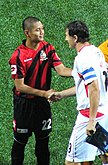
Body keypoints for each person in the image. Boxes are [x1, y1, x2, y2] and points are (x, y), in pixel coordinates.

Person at [50, 20, 108, 165]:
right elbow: (87, 87)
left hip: (90, 115)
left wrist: (91, 121)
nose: (65, 39)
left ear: (75, 38)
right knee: (106, 156)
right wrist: (61, 94)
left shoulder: (82, 59)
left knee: (72, 162)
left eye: (67, 35)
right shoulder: (96, 51)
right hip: (105, 111)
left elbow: (94, 88)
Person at [9, 16, 72, 165]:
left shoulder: (48, 48)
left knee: (43, 144)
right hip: (24, 106)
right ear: (27, 33)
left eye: (42, 28)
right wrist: (45, 93)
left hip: (42, 105)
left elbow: (62, 70)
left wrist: (81, 72)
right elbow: (20, 86)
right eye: (38, 30)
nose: (42, 32)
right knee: (20, 144)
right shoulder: (17, 56)